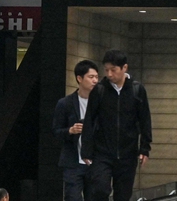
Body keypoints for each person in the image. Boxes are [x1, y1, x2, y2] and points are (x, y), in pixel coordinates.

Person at [80, 50, 152, 201]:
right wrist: (86, 150)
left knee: (123, 195)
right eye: (106, 70)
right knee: (99, 188)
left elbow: (145, 119)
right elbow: (89, 120)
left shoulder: (137, 90)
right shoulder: (99, 90)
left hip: (128, 152)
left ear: (124, 68)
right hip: (102, 152)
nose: (109, 74)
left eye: (113, 70)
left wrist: (145, 148)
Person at [53, 60, 100, 201]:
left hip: (95, 161)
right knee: (72, 197)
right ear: (79, 78)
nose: (95, 81)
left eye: (96, 77)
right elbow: (55, 131)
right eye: (91, 77)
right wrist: (70, 130)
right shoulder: (65, 103)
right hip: (73, 162)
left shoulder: (101, 102)